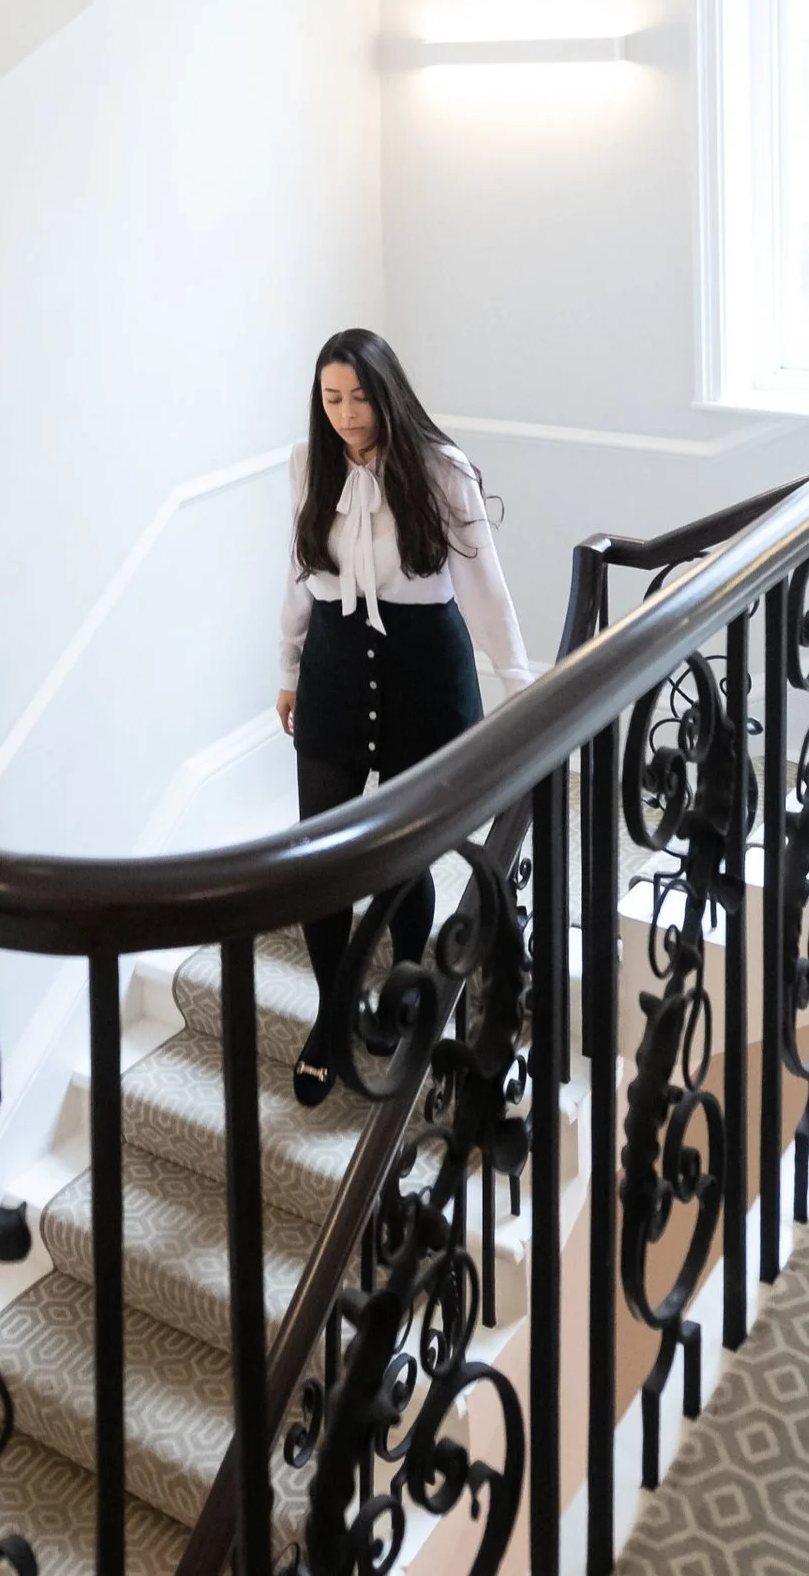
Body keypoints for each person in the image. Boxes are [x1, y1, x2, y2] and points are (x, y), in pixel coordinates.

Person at [278, 329, 533, 1107]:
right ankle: (331, 1012)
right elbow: (297, 570)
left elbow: (483, 587)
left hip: (426, 670)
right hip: (333, 670)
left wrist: (519, 687)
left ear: (385, 391)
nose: (346, 414)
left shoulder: (441, 470)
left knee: (402, 857)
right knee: (318, 856)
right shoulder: (306, 463)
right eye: (332, 398)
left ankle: (397, 987)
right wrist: (287, 667)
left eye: (358, 396)